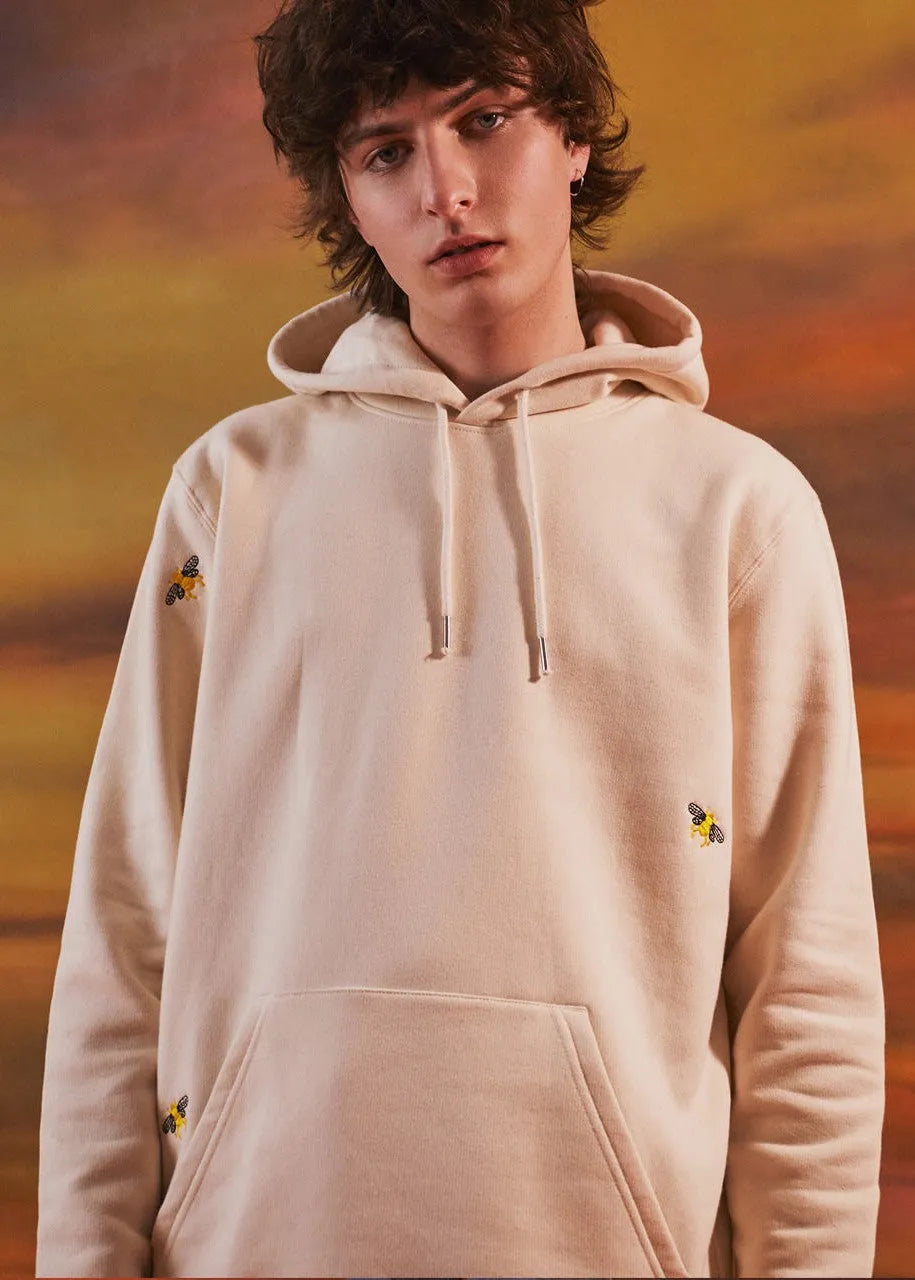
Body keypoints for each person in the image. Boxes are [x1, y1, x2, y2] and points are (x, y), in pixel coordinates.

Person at [36, 0, 885, 1276]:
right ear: (347, 192)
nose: (445, 190)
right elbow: (125, 925)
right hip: (256, 1239)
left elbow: (805, 976)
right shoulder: (232, 492)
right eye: (386, 151)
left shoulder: (737, 511)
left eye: (485, 121)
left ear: (575, 137)